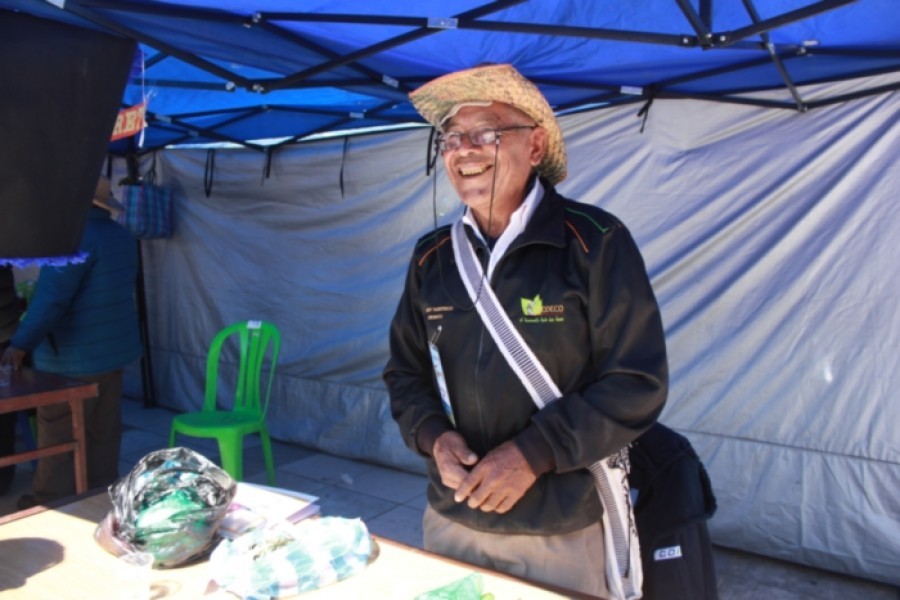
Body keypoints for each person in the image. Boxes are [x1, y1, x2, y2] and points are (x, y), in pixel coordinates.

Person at [383, 63, 668, 598]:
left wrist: (532, 453)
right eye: (451, 137)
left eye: (486, 132)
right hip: (452, 519)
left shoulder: (596, 242)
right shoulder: (432, 256)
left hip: (560, 527)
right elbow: (405, 370)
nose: (463, 150)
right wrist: (431, 437)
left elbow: (637, 382)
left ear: (535, 148)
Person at [1, 175, 142, 508]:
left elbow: (51, 301)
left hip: (72, 359)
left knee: (60, 432)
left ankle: (53, 502)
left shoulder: (73, 242)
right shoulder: (121, 236)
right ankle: (100, 495)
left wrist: (20, 343)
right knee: (103, 429)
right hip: (113, 351)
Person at [0, 265, 26, 495]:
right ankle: (4, 476)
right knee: (5, 415)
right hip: (6, 333)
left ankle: (3, 477)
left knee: (4, 413)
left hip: (3, 337)